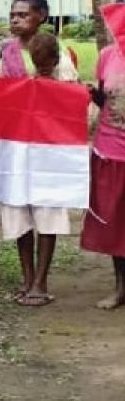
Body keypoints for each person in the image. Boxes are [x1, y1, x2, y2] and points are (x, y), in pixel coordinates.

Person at [0, 0, 77, 307]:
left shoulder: (57, 52)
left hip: (46, 145)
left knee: (46, 208)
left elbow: (69, 96)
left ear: (41, 16)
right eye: (12, 14)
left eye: (23, 14)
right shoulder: (3, 52)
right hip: (12, 145)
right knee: (17, 209)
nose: (15, 20)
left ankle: (41, 280)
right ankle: (26, 278)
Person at [83, 35, 125, 309]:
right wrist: (93, 95)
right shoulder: (109, 55)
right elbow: (103, 101)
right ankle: (121, 287)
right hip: (110, 151)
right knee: (114, 223)